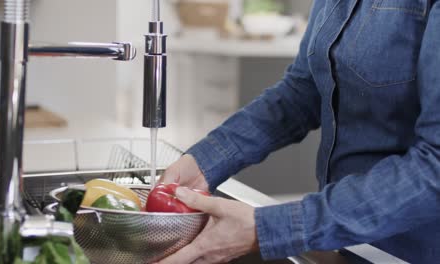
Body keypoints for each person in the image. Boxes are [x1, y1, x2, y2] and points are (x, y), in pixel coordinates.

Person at [156, 0, 440, 263]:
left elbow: (435, 169)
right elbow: (303, 90)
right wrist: (205, 161)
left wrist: (270, 228)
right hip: (347, 244)